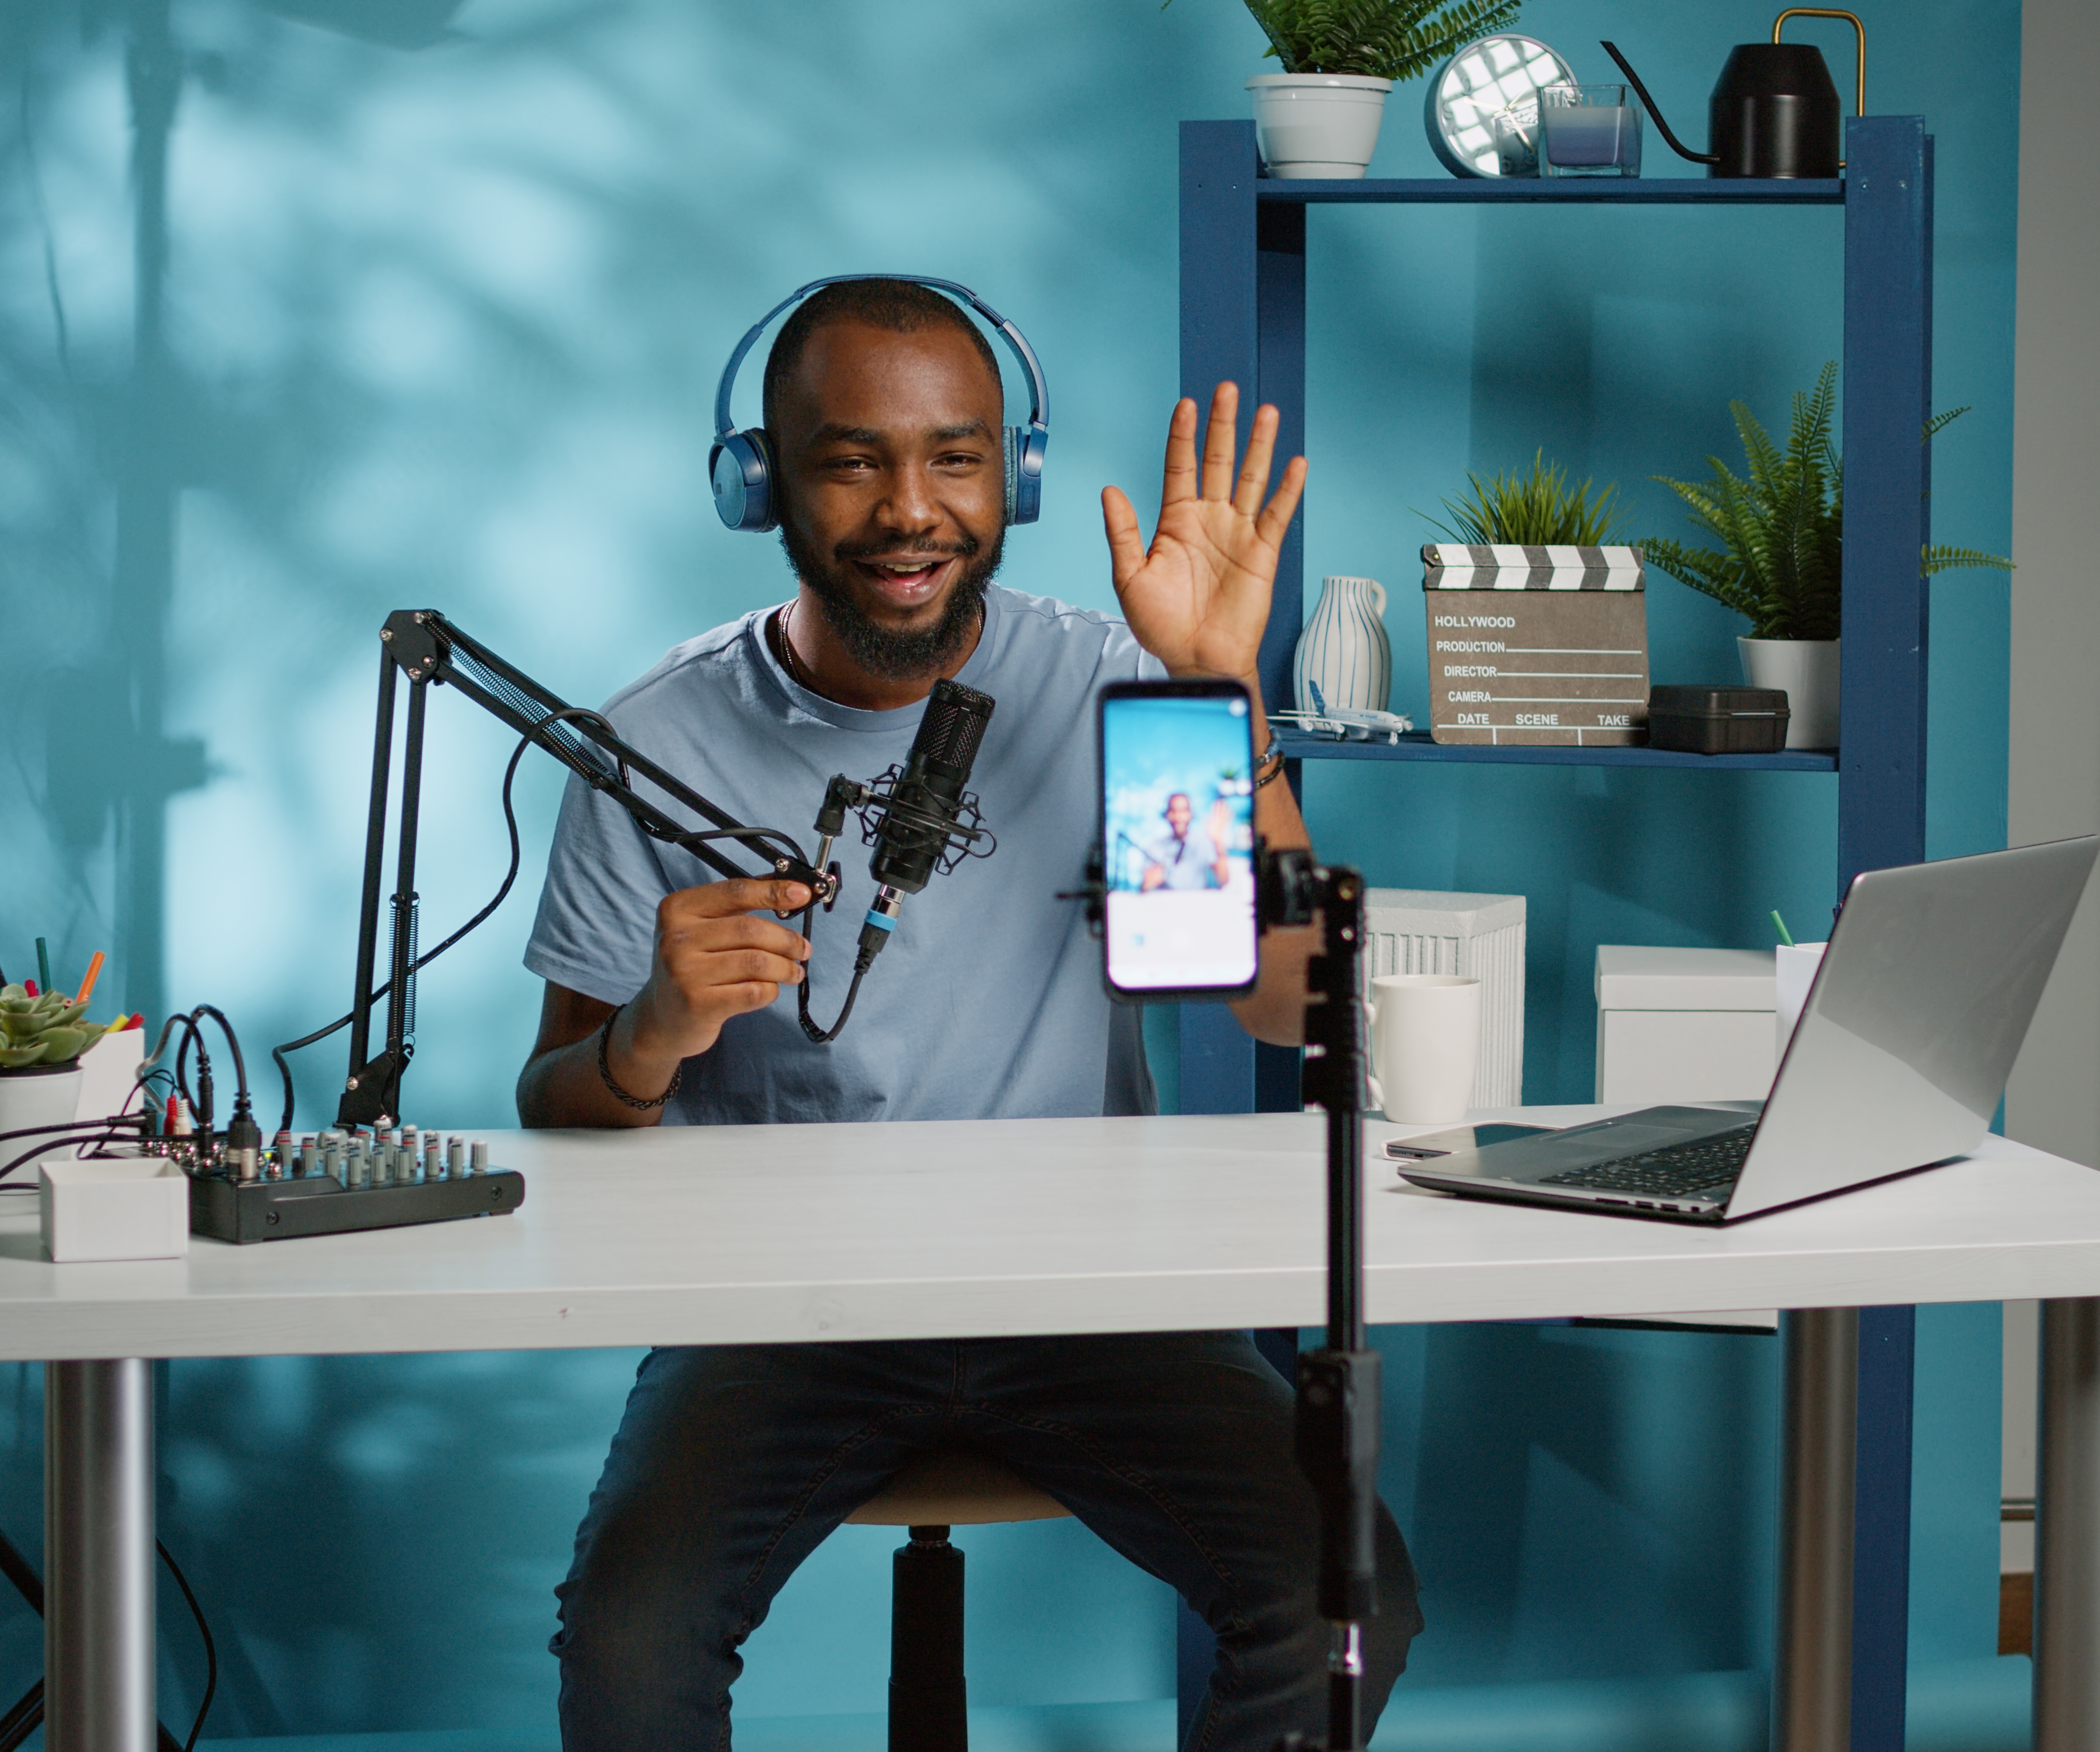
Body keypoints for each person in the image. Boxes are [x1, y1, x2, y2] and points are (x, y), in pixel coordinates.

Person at [516, 278, 1421, 1752]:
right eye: (849, 457)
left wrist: (1216, 693)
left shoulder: (1125, 689)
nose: (907, 510)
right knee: (627, 1647)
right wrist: (654, 1034)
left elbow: (1276, 1006)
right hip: (777, 1314)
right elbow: (555, 1099)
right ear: (763, 484)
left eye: (953, 456)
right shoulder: (656, 738)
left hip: (1096, 1303)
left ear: (1017, 476)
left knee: (1349, 1596)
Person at [1139, 790, 1231, 892]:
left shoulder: (1202, 842)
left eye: (1183, 811)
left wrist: (1218, 842)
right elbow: (1145, 890)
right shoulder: (1155, 847)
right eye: (1173, 811)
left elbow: (1224, 881)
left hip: (1196, 904)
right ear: (1167, 815)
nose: (1178, 817)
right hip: (1166, 904)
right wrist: (1148, 884)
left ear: (1191, 814)